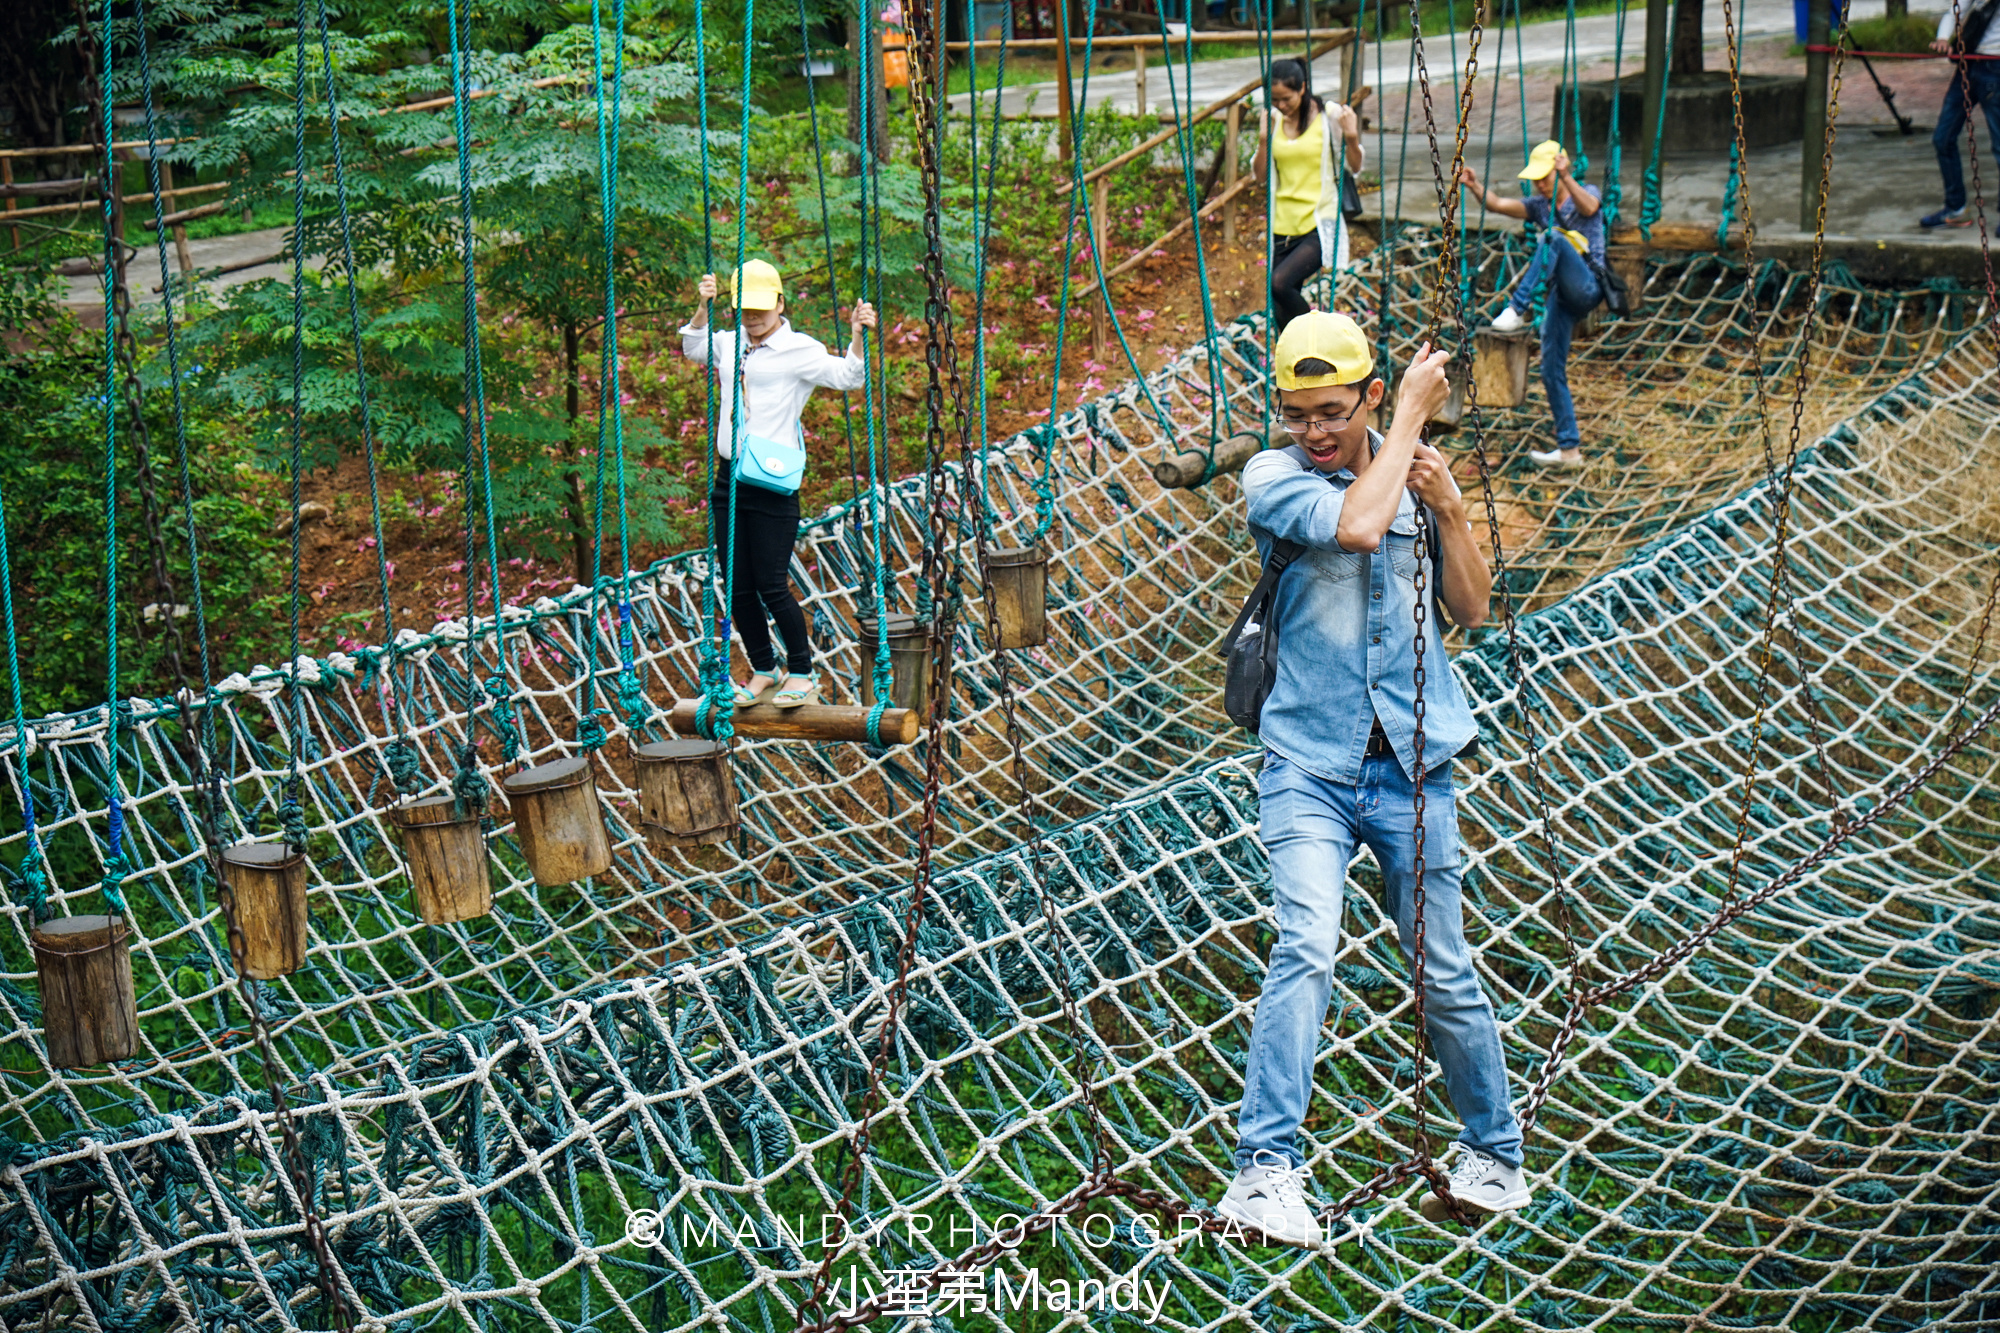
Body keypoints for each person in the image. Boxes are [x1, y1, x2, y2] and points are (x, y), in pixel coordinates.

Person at [1215, 311, 1530, 1246]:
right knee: (1305, 942)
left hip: (1414, 769)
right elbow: (1354, 525)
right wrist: (1403, 433)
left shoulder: (1406, 468)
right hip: (1307, 764)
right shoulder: (1273, 478)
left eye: (1333, 412)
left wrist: (1453, 510)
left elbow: (1469, 606)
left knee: (1443, 965)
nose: (1316, 431)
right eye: (1298, 412)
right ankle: (1264, 1171)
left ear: (1365, 396)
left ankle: (1495, 1154)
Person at [682, 259, 877, 709]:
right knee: (737, 586)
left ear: (780, 304)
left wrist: (856, 335)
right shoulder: (730, 343)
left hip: (772, 482)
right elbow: (693, 346)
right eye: (745, 309)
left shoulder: (799, 349)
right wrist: (702, 306)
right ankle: (764, 668)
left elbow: (849, 377)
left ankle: (803, 672)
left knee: (771, 583)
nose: (752, 318)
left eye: (761, 309)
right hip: (729, 480)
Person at [1457, 140, 1604, 469]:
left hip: (1587, 286)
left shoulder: (1583, 190)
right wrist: (1476, 186)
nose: (1539, 185)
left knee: (1552, 238)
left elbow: (1590, 208)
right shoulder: (1540, 205)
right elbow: (1497, 205)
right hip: (1560, 297)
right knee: (1551, 369)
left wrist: (1567, 178)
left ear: (1558, 171)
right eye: (1536, 180)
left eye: (1544, 178)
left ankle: (1517, 308)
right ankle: (1569, 450)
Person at [1251, 57, 1364, 333]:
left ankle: (1319, 335)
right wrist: (1264, 140)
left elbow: (1356, 166)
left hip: (1317, 222)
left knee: (1280, 283)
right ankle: (1300, 363)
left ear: (1302, 88)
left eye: (1286, 99)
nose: (1280, 105)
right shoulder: (1274, 119)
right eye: (1274, 99)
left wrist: (1351, 137)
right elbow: (1260, 174)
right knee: (1280, 313)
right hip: (1282, 226)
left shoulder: (1329, 116)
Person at [1919, 0, 2000, 229]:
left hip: (1995, 66)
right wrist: (1943, 38)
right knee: (1942, 138)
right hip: (1970, 62)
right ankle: (1956, 208)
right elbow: (1956, 10)